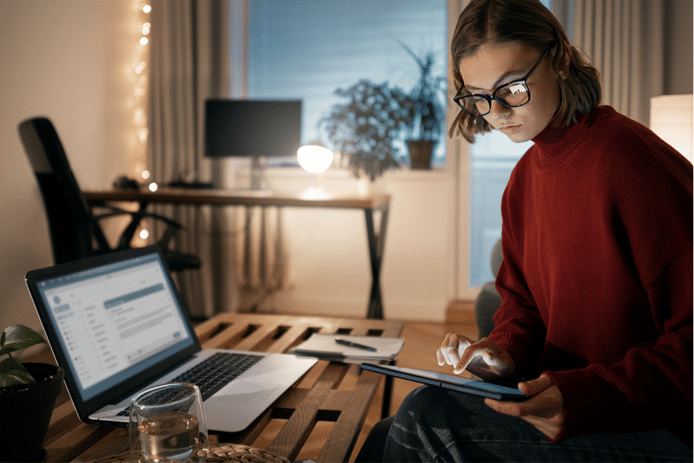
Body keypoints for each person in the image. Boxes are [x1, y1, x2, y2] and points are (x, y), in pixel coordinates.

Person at [355, 0, 693, 461]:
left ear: (558, 59)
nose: (495, 112)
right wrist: (498, 352)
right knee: (384, 437)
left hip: (661, 424)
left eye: (511, 88)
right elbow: (523, 307)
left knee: (424, 419)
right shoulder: (524, 182)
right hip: (567, 403)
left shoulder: (628, 160)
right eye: (478, 96)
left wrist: (584, 395)